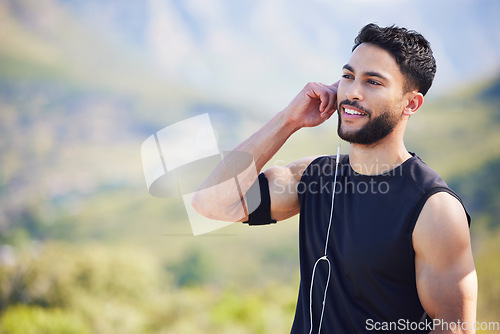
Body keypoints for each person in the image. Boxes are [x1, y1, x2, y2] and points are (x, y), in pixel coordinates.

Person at [192, 23, 477, 333]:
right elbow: (211, 204)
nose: (352, 92)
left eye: (373, 82)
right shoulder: (313, 176)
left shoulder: (434, 209)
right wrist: (289, 119)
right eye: (347, 76)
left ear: (411, 103)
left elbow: (455, 328)